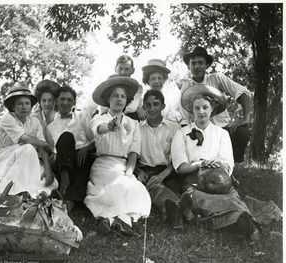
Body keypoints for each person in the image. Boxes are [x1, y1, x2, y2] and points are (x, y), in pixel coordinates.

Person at [171, 84, 256, 239]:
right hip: (193, 177)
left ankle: (240, 219)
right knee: (197, 198)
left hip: (219, 178)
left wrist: (217, 164)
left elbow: (228, 164)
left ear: (212, 109)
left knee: (231, 198)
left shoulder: (222, 134)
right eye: (197, 108)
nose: (201, 111)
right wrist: (200, 164)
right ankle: (232, 221)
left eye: (205, 107)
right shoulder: (182, 134)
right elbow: (180, 166)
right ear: (192, 111)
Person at [84, 75, 151, 237]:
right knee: (116, 190)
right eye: (115, 96)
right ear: (108, 99)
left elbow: (134, 151)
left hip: (123, 165)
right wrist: (109, 127)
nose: (119, 99)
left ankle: (113, 222)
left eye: (123, 96)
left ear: (127, 100)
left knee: (136, 189)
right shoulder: (100, 118)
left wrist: (129, 172)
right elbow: (98, 129)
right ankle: (119, 221)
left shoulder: (133, 123)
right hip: (103, 165)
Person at [0, 82, 58, 198]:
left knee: (48, 181)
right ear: (13, 106)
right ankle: (6, 192)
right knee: (28, 147)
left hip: (27, 157)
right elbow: (24, 138)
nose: (24, 107)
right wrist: (46, 144)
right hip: (4, 158)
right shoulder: (8, 118)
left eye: (27, 103)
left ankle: (27, 193)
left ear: (31, 106)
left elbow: (41, 149)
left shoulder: (35, 122)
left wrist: (48, 170)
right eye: (20, 104)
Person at [180, 46, 252, 163]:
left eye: (200, 63)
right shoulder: (186, 88)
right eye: (193, 63)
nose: (197, 66)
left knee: (243, 133)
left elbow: (243, 92)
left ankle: (231, 164)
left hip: (222, 131)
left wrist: (246, 118)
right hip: (200, 133)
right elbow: (184, 120)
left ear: (207, 66)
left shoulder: (217, 79)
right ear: (189, 66)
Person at [134, 89, 183, 229]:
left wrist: (162, 175)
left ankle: (169, 211)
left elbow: (178, 157)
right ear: (143, 107)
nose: (152, 108)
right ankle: (175, 211)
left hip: (168, 170)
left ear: (163, 106)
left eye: (156, 104)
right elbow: (130, 155)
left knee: (172, 188)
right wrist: (138, 172)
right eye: (148, 105)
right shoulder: (137, 129)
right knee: (153, 186)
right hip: (147, 170)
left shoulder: (174, 128)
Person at [47, 85, 96, 212]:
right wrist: (53, 154)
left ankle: (68, 204)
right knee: (66, 137)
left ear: (74, 102)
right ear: (57, 101)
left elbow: (96, 141)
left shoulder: (82, 117)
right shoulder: (50, 127)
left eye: (69, 100)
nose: (65, 103)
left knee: (83, 172)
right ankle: (64, 180)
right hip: (63, 161)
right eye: (62, 99)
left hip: (82, 157)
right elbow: (52, 150)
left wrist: (86, 149)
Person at [82, 55, 145, 120]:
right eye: (120, 68)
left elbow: (138, 101)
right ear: (115, 69)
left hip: (128, 124)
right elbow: (88, 108)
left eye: (127, 69)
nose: (123, 72)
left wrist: (139, 106)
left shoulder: (137, 89)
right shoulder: (106, 85)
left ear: (133, 71)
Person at [141, 59, 182, 123]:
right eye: (153, 79)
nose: (156, 81)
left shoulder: (171, 99)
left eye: (159, 78)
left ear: (164, 80)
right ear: (148, 81)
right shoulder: (142, 99)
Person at [32, 79, 60, 145]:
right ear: (39, 102)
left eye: (50, 100)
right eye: (44, 101)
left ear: (55, 101)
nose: (47, 104)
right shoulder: (34, 118)